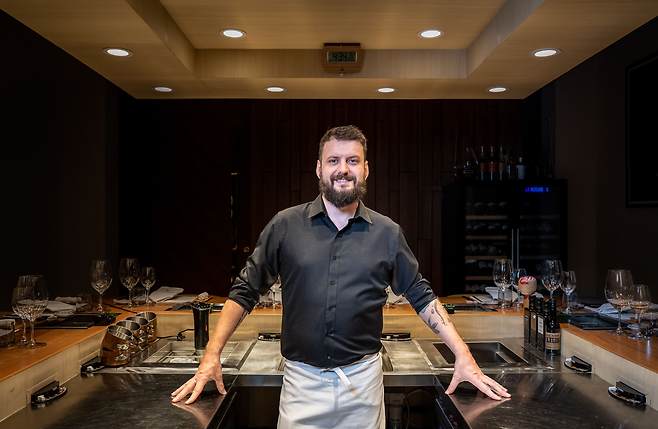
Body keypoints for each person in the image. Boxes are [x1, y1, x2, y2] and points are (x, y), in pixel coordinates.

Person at [171, 125, 510, 427]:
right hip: (301, 387)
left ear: (366, 169)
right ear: (319, 168)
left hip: (362, 387)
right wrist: (211, 355)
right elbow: (245, 290)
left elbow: (421, 296)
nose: (343, 169)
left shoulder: (387, 233)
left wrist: (464, 356)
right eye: (333, 160)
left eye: (352, 161)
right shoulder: (284, 226)